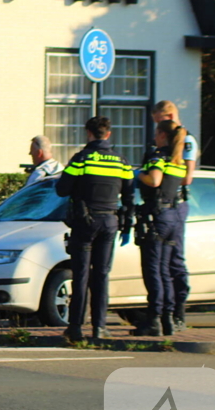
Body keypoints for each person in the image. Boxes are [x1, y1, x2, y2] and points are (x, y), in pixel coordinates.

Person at [55, 117, 134, 342]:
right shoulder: (122, 161)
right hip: (110, 222)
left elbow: (62, 189)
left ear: (88, 133)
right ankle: (99, 327)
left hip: (85, 221)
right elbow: (129, 195)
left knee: (81, 275)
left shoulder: (82, 159)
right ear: (108, 134)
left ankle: (76, 327)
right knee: (101, 275)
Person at [133, 120, 187, 336]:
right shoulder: (178, 161)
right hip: (173, 217)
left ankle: (154, 321)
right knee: (165, 270)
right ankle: (168, 319)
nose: (154, 137)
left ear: (163, 135)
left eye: (156, 133)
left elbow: (154, 180)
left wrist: (136, 174)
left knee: (153, 270)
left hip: (157, 217)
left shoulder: (158, 157)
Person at [151, 101, 199, 332]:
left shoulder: (186, 141)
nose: (157, 130)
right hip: (167, 205)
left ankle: (178, 311)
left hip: (175, 205)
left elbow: (186, 178)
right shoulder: (166, 142)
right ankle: (166, 314)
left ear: (170, 116)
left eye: (160, 122)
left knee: (174, 261)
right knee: (164, 262)